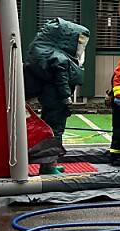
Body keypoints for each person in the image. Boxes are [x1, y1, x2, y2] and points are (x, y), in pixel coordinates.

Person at [23, 18, 90, 174]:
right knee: (55, 131)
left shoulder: (52, 56)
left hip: (52, 100)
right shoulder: (59, 59)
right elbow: (62, 81)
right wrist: (66, 99)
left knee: (51, 130)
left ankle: (49, 164)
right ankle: (49, 166)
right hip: (56, 103)